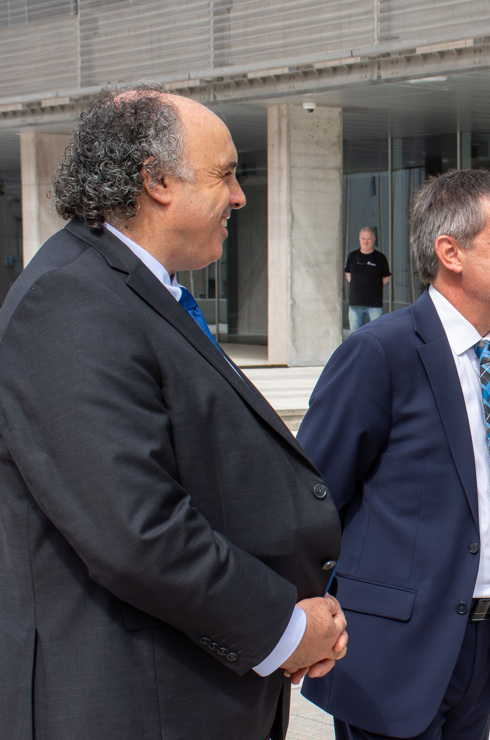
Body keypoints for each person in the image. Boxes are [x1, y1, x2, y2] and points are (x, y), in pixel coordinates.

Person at [0, 83, 347, 739]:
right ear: (156, 180)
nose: (239, 196)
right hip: (138, 706)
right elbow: (139, 530)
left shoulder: (131, 291)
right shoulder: (70, 301)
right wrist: (283, 629)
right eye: (225, 175)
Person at [299, 169, 490, 740]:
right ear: (450, 253)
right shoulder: (380, 352)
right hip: (392, 656)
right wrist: (300, 625)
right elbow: (308, 501)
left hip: (483, 640)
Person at [345, 226, 391, 330]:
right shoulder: (352, 256)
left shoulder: (380, 258)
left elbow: (386, 278)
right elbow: (348, 274)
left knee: (377, 333)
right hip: (355, 304)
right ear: (359, 239)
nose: (365, 242)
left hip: (374, 304)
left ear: (374, 239)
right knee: (354, 334)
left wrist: (373, 285)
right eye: (363, 238)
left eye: (369, 239)